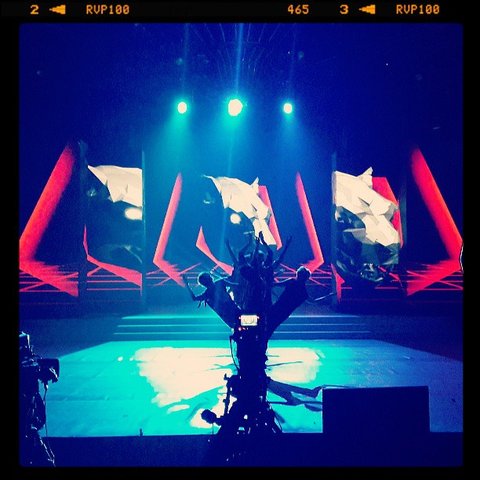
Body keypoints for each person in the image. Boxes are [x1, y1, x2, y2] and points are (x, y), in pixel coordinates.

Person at [266, 266, 333, 339]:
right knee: (271, 326)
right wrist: (326, 297)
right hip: (285, 312)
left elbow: (276, 284)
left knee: (268, 324)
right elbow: (313, 301)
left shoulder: (292, 282)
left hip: (278, 307)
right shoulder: (303, 291)